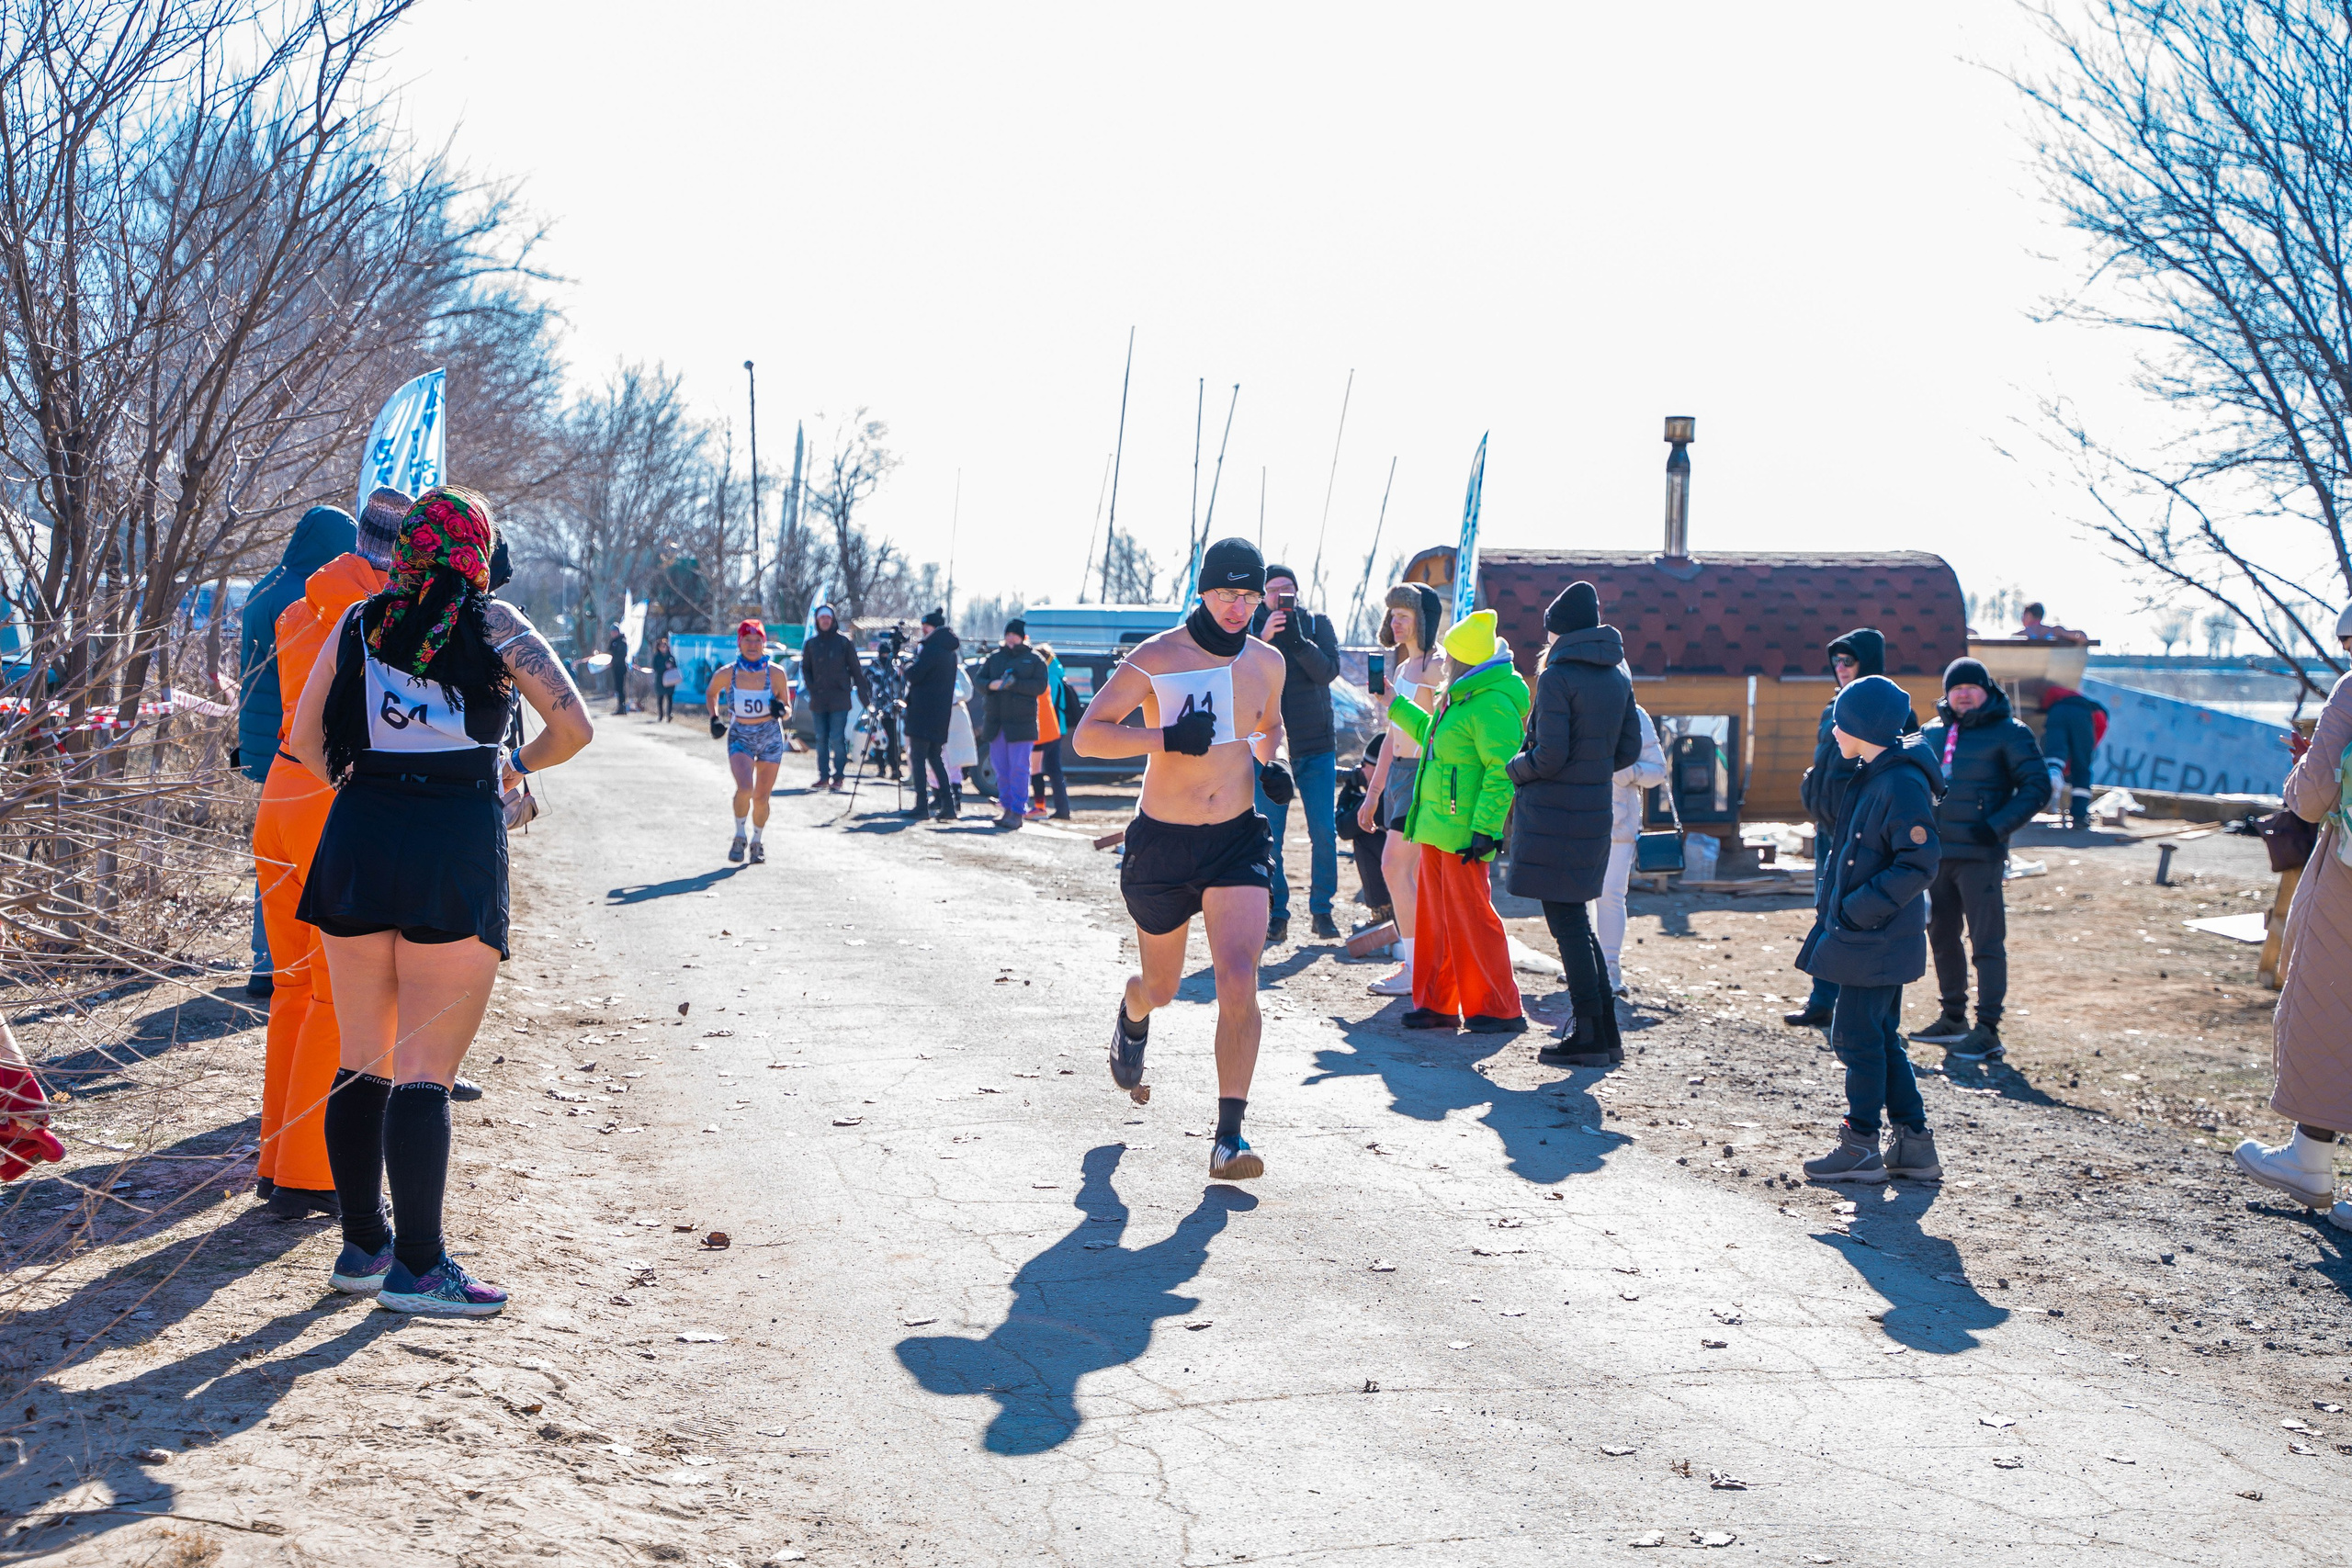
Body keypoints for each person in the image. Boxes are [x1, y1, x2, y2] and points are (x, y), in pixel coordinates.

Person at [288, 485, 594, 1314]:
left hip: (359, 837)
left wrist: (364, 788)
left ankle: (362, 1247)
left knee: (361, 1057)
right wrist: (514, 768)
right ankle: (419, 1267)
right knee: (426, 1069)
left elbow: (305, 742)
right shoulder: (498, 626)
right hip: (454, 844)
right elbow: (574, 728)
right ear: (478, 549)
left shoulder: (360, 620)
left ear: (409, 546)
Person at [1073, 537, 1289, 1180]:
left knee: (1238, 977)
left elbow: (1267, 725)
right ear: (1202, 591)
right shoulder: (1158, 657)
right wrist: (1165, 735)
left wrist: (1266, 763)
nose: (1237, 606)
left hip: (1235, 840)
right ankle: (1133, 1013)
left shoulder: (1268, 661)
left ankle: (1229, 1136)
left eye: (1249, 595)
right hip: (1162, 843)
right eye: (1226, 593)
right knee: (1162, 987)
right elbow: (1089, 735)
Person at [251, 492, 382, 1219]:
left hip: (278, 793)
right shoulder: (370, 620)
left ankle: (276, 1156)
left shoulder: (298, 608)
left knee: (292, 988)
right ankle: (309, 1173)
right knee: (338, 996)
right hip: (330, 797)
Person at [1797, 674, 1947, 1184]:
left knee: (1857, 1037)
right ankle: (1914, 1146)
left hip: (1876, 935)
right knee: (1879, 1037)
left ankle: (1860, 1144)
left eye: (1841, 720)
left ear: (1864, 726)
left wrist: (1859, 909)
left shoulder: (1899, 781)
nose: (1833, 729)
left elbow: (1919, 861)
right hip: (1868, 934)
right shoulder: (1874, 771)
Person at [2234, 606, 2352, 1229]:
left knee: (2325, 1002)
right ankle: (2310, 1154)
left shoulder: (2351, 689)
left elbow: (2309, 800)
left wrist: (2307, 766)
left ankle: (2310, 1160)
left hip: (2349, 879)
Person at [1505, 582, 1643, 1066]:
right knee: (1578, 923)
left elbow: (1550, 754)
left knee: (1568, 926)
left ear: (1555, 632)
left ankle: (1588, 1036)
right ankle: (1604, 1034)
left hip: (1552, 818)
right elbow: (1627, 751)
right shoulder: (1617, 675)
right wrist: (1591, 766)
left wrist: (1515, 767)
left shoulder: (1559, 675)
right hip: (1593, 813)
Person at [1387, 609, 1531, 1034]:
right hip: (1437, 828)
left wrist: (1486, 829)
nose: (1442, 660)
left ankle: (1499, 1008)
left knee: (1473, 920)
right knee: (1437, 922)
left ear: (1463, 659)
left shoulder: (1491, 703)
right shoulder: (1464, 696)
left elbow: (1501, 769)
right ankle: (1437, 1004)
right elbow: (1433, 732)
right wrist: (1393, 706)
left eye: (1448, 654)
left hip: (1464, 833)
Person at [239, 505, 357, 996]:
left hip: (261, 742)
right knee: (310, 857)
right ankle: (298, 963)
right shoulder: (312, 598)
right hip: (301, 747)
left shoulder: (263, 590)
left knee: (274, 855)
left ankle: (266, 960)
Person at [1908, 657, 2051, 1062]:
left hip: (1980, 855)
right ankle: (1953, 1018)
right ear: (1947, 694)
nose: (1964, 694)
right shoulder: (1931, 734)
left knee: (1987, 941)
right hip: (1937, 855)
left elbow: (2036, 786)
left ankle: (1987, 1028)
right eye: (1956, 688)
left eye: (1972, 687)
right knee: (1941, 936)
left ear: (1986, 691)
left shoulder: (2010, 732)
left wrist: (1995, 827)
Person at [1785, 628, 1918, 1029]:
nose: (1840, 668)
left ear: (1868, 663)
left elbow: (1899, 771)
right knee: (1826, 911)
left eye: (1849, 661)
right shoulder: (1835, 706)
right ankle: (1823, 999)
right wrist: (1812, 786)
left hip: (1865, 835)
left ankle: (1859, 1006)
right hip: (1830, 827)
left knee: (1859, 916)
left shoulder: (1893, 709)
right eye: (1836, 662)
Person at [1248, 567, 1342, 942]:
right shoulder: (1250, 630)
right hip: (1269, 751)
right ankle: (1278, 913)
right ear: (1261, 596)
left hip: (1317, 747)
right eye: (1271, 591)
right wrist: (1262, 639)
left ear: (1297, 593)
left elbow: (1328, 672)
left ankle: (1323, 912)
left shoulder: (1317, 625)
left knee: (1324, 832)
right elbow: (1238, 674)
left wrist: (1300, 640)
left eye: (1285, 590)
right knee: (1270, 836)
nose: (1278, 597)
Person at [1360, 582, 1444, 997]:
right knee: (1408, 873)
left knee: (1395, 867)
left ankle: (1416, 967)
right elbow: (1393, 737)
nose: (1394, 622)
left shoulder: (1436, 666)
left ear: (1422, 620)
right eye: (1391, 614)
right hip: (1398, 779)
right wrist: (1373, 793)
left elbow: (1441, 734)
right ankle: (1418, 964)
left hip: (1425, 777)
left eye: (1404, 615)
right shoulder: (1399, 669)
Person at [705, 619, 792, 863]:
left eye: (757, 641)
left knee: (762, 797)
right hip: (741, 735)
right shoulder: (728, 672)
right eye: (747, 640)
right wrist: (714, 718)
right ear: (739, 643)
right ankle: (739, 835)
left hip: (770, 737)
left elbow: (788, 709)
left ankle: (757, 841)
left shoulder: (776, 673)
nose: (752, 646)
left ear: (763, 644)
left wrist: (780, 710)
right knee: (745, 788)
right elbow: (711, 692)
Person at [1600, 701, 1668, 995]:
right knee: (1581, 898)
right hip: (1574, 822)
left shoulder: (1634, 714)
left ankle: (1610, 966)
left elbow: (1657, 770)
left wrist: (1628, 772)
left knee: (1611, 896)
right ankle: (1585, 965)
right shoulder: (1571, 705)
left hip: (1618, 825)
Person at [978, 617, 1050, 830]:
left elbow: (1040, 686)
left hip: (1022, 724)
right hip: (996, 722)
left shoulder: (1034, 660)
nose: (1011, 638)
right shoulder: (995, 658)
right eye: (1008, 635)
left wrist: (1015, 684)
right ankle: (1007, 808)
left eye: (1015, 635)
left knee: (1019, 769)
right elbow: (980, 681)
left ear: (1022, 637)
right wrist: (992, 684)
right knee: (1001, 769)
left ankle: (1018, 811)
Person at [800, 604, 871, 791]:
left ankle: (838, 776)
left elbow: (856, 670)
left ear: (832, 620)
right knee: (821, 738)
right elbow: (805, 668)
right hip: (818, 699)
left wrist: (864, 695)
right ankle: (823, 776)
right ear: (817, 621)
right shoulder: (811, 644)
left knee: (837, 738)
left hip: (839, 699)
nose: (825, 621)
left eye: (828, 618)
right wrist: (812, 687)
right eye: (821, 618)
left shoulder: (844, 642)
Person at [902, 609, 963, 819]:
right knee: (935, 758)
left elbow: (915, 675)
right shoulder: (949, 651)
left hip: (922, 713)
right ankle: (949, 806)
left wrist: (906, 665)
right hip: (939, 715)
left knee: (917, 757)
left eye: (925, 626)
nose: (922, 630)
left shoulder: (931, 648)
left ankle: (921, 806)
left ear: (933, 628)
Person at [1336, 735, 1392, 923]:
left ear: (1379, 770)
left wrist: (1349, 790)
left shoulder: (1383, 798)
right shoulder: (1399, 786)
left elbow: (1344, 828)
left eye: (1365, 765)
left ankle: (1382, 911)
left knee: (1364, 836)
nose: (1360, 769)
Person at [2041, 682, 2106, 830]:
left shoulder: (2057, 699)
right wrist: (2084, 752)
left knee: (2054, 757)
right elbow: (2099, 730)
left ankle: (2053, 777)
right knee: (2082, 768)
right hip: (2081, 717)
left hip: (2056, 712)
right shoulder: (2095, 709)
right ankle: (2079, 816)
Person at [1027, 642, 1072, 820]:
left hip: (1048, 727)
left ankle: (1042, 807)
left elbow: (1047, 704)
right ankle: (1062, 809)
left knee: (1040, 768)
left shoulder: (1048, 675)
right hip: (1055, 727)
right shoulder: (1055, 671)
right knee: (1054, 770)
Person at [2018, 602, 2089, 645]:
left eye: (2023, 615)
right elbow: (2082, 637)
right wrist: (2064, 634)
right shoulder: (2056, 631)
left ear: (2029, 615)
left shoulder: (2022, 634)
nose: (2022, 619)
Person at [649, 633, 679, 723]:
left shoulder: (671, 657)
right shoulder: (657, 657)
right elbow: (655, 667)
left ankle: (669, 715)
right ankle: (660, 715)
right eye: (661, 646)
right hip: (660, 680)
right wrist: (665, 667)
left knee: (669, 698)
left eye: (665, 646)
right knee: (660, 698)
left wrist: (671, 666)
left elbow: (675, 667)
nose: (663, 648)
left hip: (670, 680)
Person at [606, 623, 631, 716]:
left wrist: (613, 661)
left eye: (614, 631)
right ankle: (620, 706)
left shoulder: (622, 641)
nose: (612, 633)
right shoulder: (613, 641)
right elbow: (610, 653)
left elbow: (621, 655)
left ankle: (622, 707)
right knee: (617, 687)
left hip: (620, 667)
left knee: (620, 687)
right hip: (615, 668)